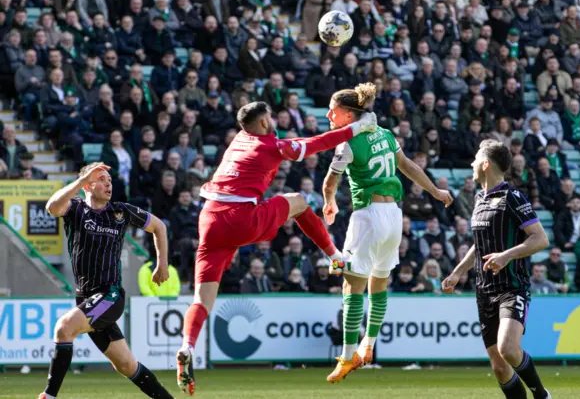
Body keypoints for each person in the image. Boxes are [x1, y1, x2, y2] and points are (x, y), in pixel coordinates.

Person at [175, 99, 379, 395]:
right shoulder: (269, 146)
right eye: (269, 118)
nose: (272, 122)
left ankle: (186, 346)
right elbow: (317, 142)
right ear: (262, 123)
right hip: (239, 218)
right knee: (298, 200)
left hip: (209, 219)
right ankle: (335, 256)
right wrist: (358, 127)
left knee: (201, 299)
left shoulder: (239, 140)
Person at [322, 83, 453, 382]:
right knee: (378, 285)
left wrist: (329, 203)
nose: (329, 114)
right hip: (394, 215)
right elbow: (406, 166)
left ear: (349, 114)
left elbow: (331, 182)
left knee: (351, 287)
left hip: (367, 215)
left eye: (335, 110)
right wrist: (434, 191)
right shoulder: (386, 134)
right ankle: (369, 346)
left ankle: (348, 355)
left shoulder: (347, 143)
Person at [40, 162, 172, 399]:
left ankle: (49, 396)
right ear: (88, 185)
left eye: (109, 181)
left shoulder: (120, 212)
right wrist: (80, 181)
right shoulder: (75, 209)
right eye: (101, 179)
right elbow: (51, 207)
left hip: (110, 296)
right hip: (87, 297)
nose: (108, 184)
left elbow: (159, 227)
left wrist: (162, 264)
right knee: (126, 366)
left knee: (63, 328)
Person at [441, 140, 551, 399]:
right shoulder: (479, 198)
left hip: (512, 288)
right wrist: (458, 271)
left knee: (509, 349)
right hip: (484, 291)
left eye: (476, 159)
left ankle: (541, 394)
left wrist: (506, 255)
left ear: (486, 164)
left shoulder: (512, 197)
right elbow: (478, 246)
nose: (471, 164)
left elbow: (540, 238)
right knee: (500, 368)